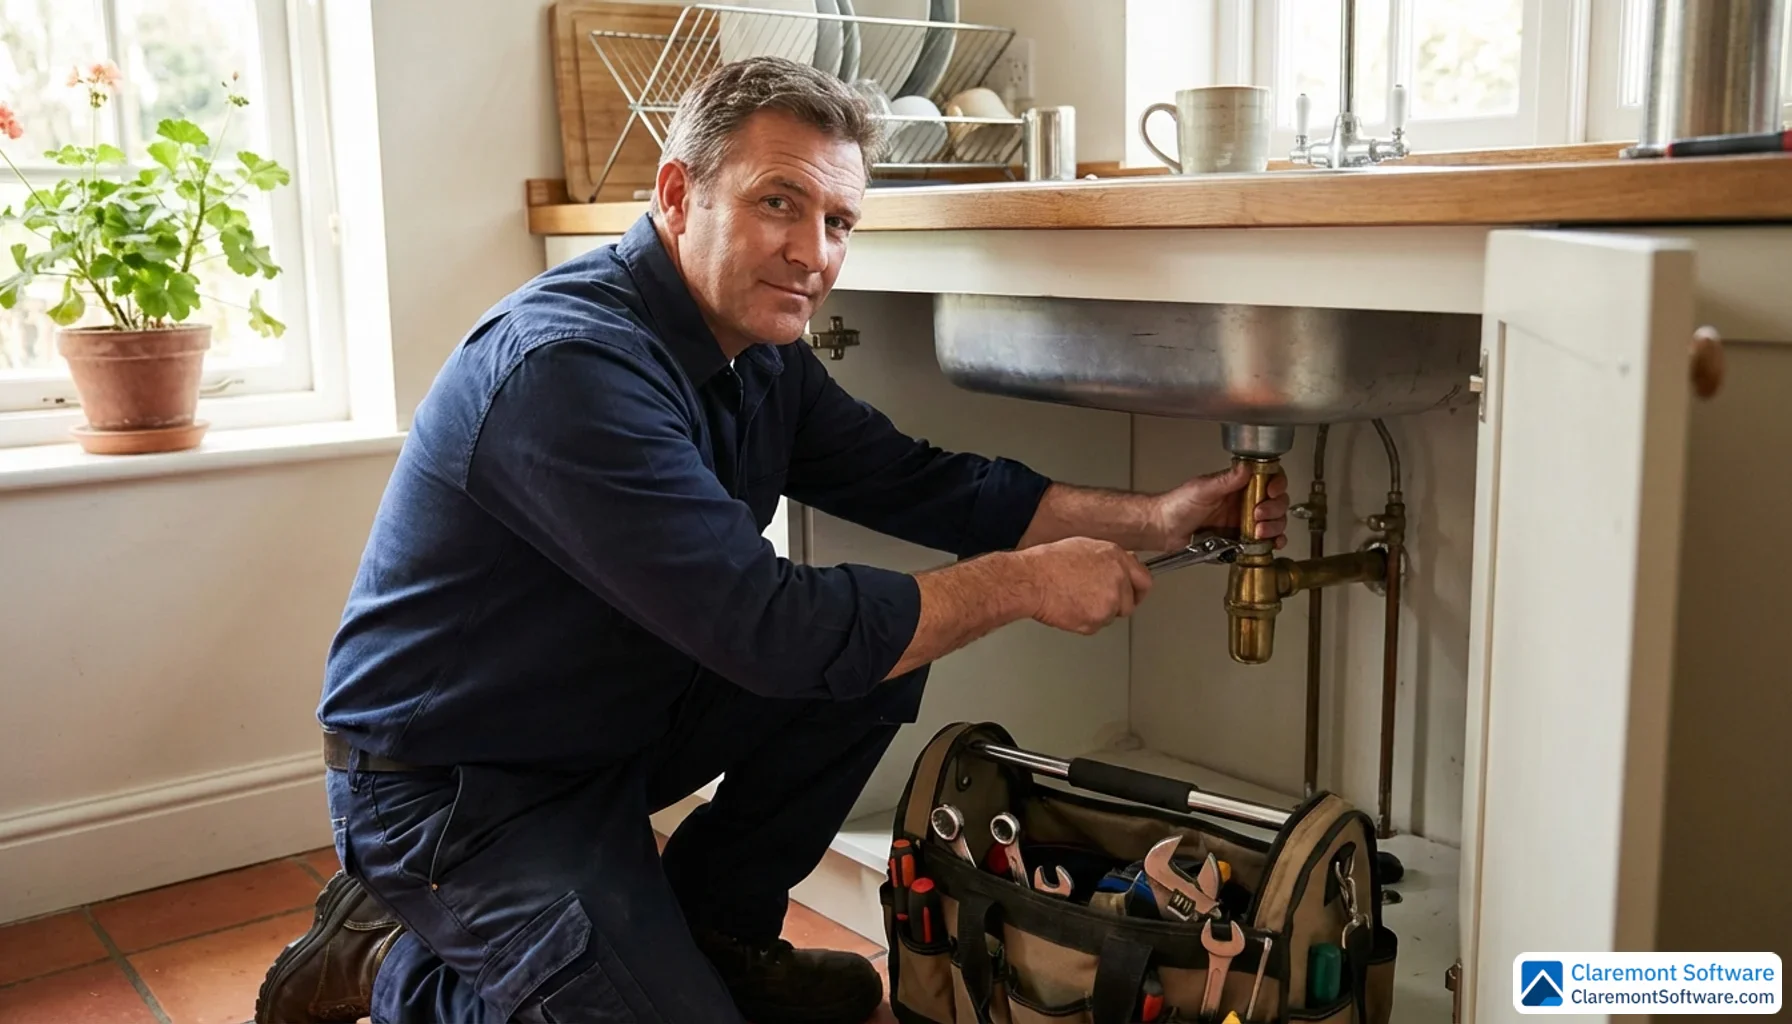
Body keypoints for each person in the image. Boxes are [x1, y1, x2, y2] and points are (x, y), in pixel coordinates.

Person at [255, 56, 1288, 1024]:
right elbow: (769, 631)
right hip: (456, 786)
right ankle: (390, 954)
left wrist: (1152, 518)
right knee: (835, 642)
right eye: (777, 203)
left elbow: (929, 485)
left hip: (608, 723)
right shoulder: (566, 371)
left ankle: (717, 933)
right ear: (676, 194)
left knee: (874, 657)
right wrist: (1021, 584)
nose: (813, 252)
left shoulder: (756, 353)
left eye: (838, 219)